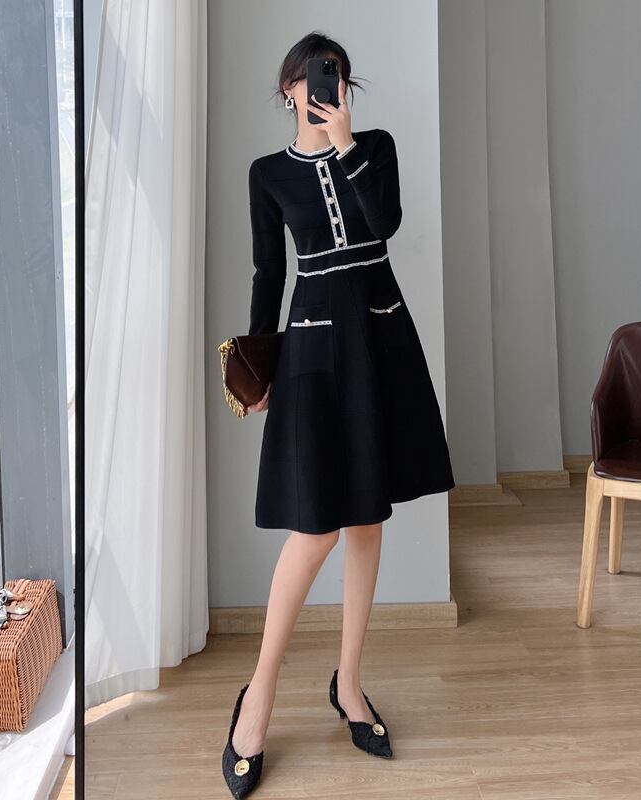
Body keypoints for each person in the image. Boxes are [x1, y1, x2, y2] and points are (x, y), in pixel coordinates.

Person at [221, 32, 455, 799]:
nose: (326, 88)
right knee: (316, 526)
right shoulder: (267, 174)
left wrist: (347, 143)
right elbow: (269, 270)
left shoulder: (374, 148)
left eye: (338, 78)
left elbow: (382, 224)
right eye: (314, 79)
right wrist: (256, 367)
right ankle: (259, 695)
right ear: (288, 89)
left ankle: (348, 684)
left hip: (380, 338)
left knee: (366, 520)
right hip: (316, 347)